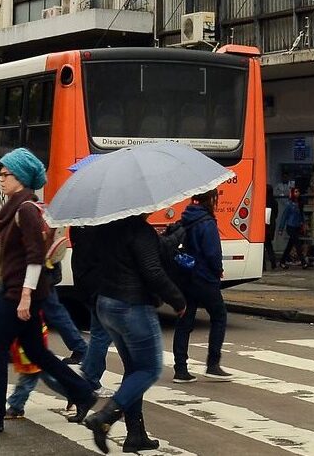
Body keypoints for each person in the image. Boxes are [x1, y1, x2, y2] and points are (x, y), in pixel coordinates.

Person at [0, 148, 97, 437]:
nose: (0, 177)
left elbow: (34, 257)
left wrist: (24, 296)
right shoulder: (17, 208)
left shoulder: (25, 210)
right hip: (22, 293)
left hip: (20, 295)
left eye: (5, 173)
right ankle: (83, 392)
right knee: (36, 351)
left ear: (20, 177)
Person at [81, 214, 186, 454]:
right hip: (131, 306)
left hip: (106, 304)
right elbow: (153, 271)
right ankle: (104, 417)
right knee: (149, 369)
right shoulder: (140, 231)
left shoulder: (107, 227)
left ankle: (135, 435)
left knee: (134, 370)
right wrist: (178, 300)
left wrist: (169, 238)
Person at [172, 190, 232, 383]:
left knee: (184, 322)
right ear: (211, 200)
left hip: (185, 276)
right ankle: (213, 364)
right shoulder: (206, 222)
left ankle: (180, 369)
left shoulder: (186, 217)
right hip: (204, 277)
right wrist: (218, 270)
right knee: (219, 316)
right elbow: (212, 252)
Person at [70, 225, 114, 398]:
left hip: (86, 285)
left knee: (99, 332)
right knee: (102, 334)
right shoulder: (97, 231)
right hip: (98, 287)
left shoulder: (78, 227)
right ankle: (90, 378)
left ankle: (87, 375)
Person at [279, 188, 307, 269]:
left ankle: (282, 261)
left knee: (290, 245)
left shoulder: (299, 204)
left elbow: (301, 216)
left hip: (297, 226)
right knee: (297, 244)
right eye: (295, 191)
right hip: (290, 226)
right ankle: (303, 262)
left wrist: (303, 224)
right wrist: (281, 228)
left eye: (298, 191)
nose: (297, 193)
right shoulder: (289, 205)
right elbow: (284, 217)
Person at [264, 185, 279, 271]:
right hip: (271, 225)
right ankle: (273, 262)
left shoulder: (263, 201)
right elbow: (276, 214)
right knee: (269, 245)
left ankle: (263, 265)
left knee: (263, 246)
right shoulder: (274, 202)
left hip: (264, 225)